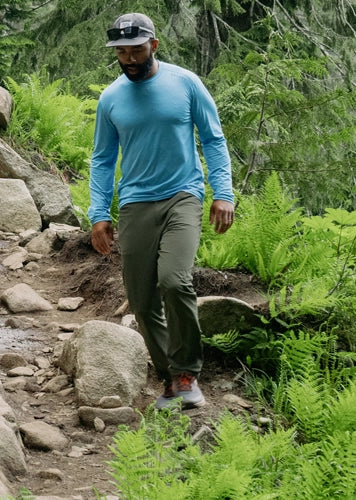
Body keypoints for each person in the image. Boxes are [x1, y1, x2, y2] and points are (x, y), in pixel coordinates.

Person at [88, 13, 234, 409]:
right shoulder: (111, 98)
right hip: (135, 203)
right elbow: (102, 159)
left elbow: (214, 140)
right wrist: (98, 214)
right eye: (122, 52)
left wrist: (224, 193)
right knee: (141, 301)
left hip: (182, 196)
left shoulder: (185, 83)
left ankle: (187, 372)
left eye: (137, 49)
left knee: (173, 280)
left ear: (154, 45)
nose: (130, 58)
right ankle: (170, 378)